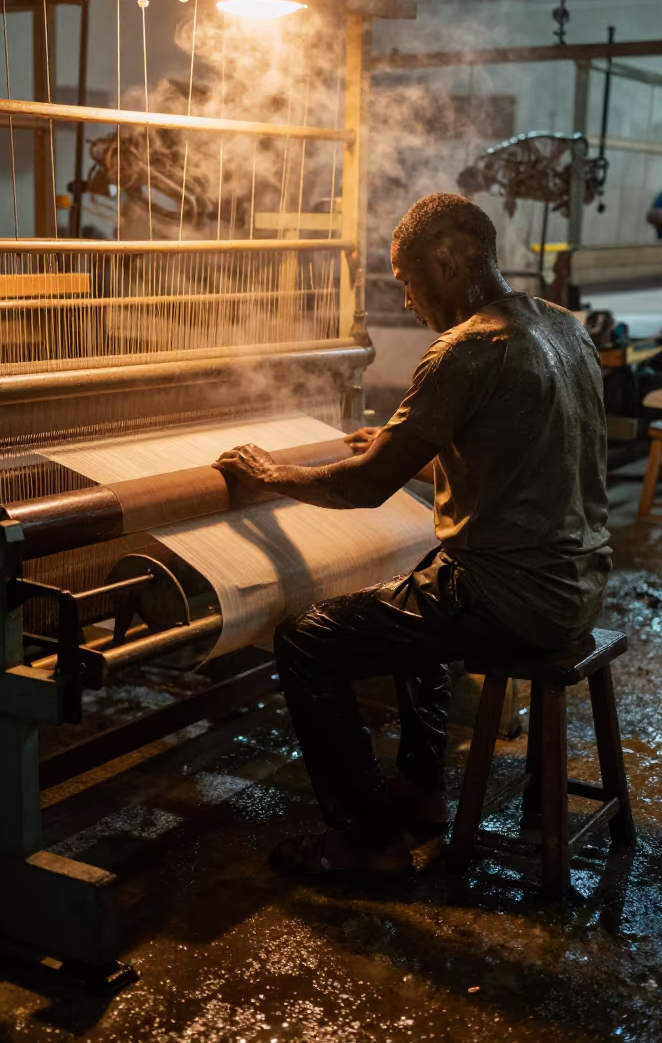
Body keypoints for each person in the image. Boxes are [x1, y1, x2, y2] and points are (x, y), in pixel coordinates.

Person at [214, 192, 612, 878]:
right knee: (414, 589)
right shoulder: (563, 329)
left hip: (513, 600)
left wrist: (269, 474)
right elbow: (523, 461)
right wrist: (408, 448)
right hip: (578, 585)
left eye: (407, 279)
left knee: (305, 639)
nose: (406, 299)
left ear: (449, 261)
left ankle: (365, 842)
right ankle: (421, 790)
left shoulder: (466, 350)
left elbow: (364, 486)